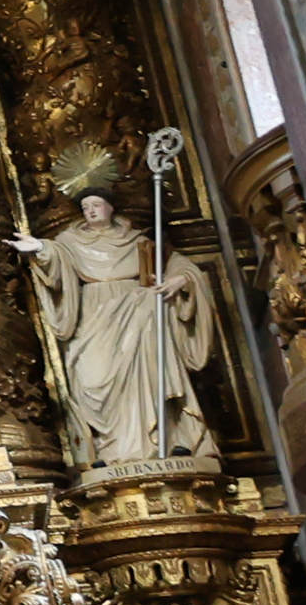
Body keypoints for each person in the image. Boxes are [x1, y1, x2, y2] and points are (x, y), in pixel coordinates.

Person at [12, 148, 220, 470]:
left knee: (149, 372)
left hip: (140, 309)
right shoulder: (70, 241)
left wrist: (180, 280)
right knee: (91, 377)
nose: (91, 211)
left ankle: (167, 439)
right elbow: (56, 257)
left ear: (110, 207)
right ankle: (111, 449)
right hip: (94, 315)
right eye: (85, 207)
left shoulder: (138, 240)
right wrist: (39, 246)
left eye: (96, 205)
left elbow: (178, 266)